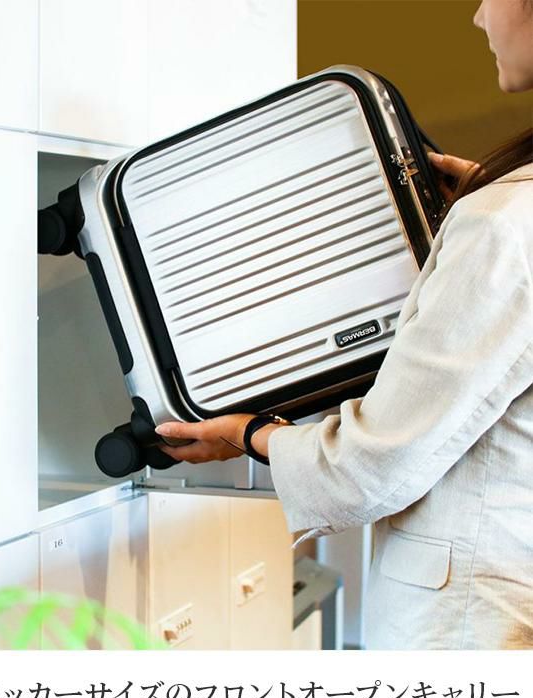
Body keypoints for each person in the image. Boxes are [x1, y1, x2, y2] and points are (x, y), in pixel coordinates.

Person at [154, 0, 533, 649]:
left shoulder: (506, 223)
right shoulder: (507, 213)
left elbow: (373, 467)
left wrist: (248, 433)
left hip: (472, 625)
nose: (478, 17)